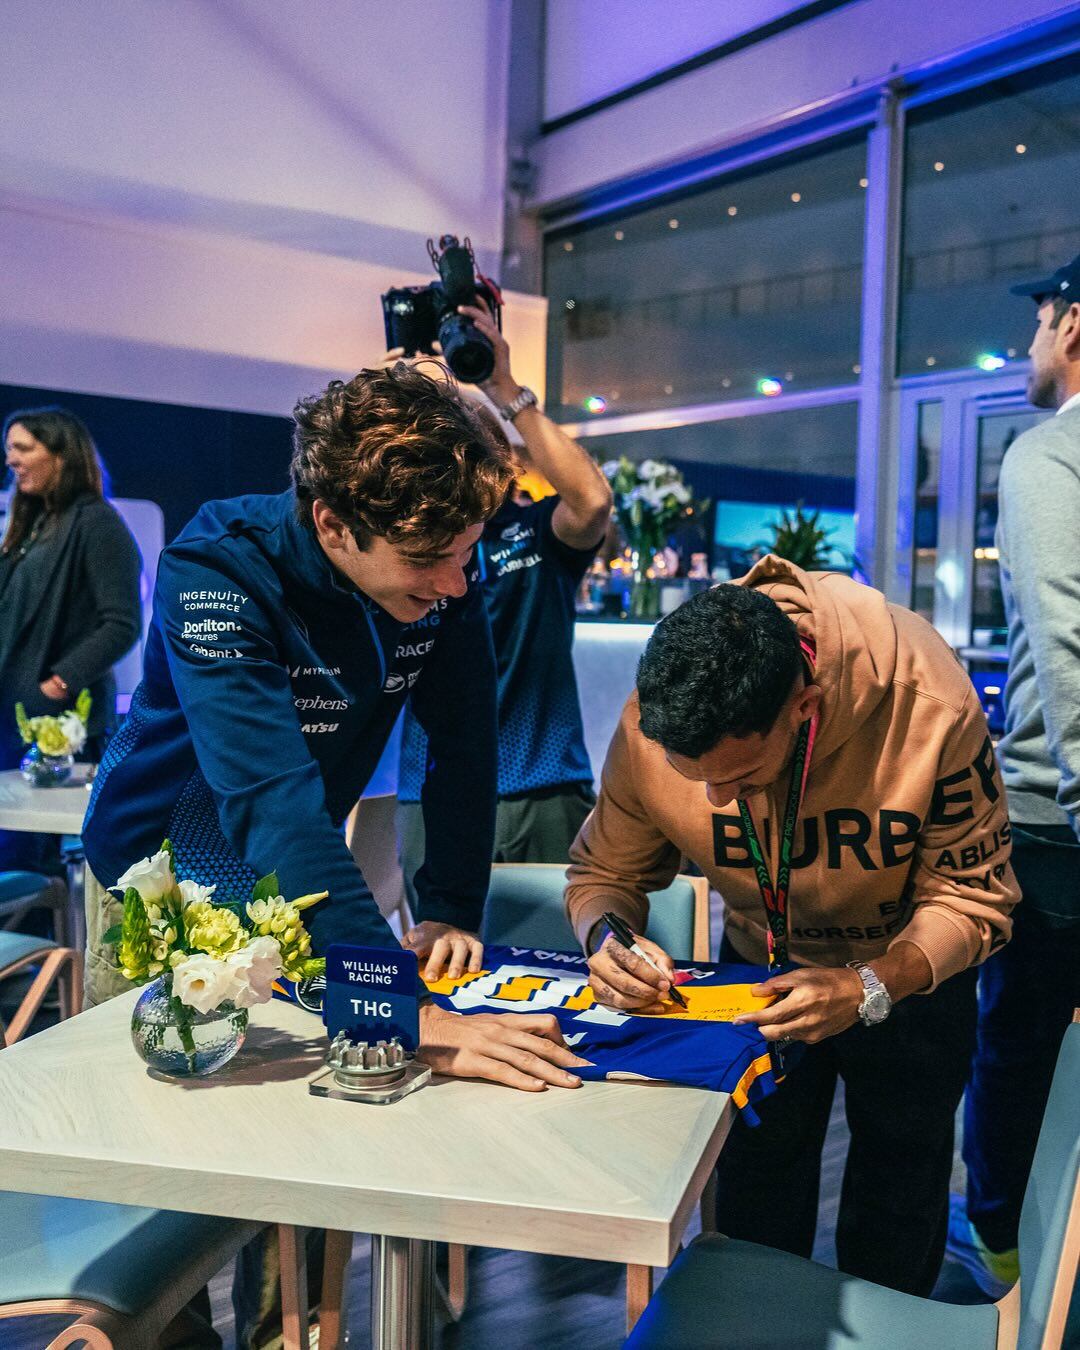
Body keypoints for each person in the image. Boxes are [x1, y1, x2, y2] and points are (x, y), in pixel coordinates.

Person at [81, 363, 587, 1349]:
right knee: (169, 1169)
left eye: (466, 556)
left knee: (324, 1148)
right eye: (429, 560)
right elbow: (267, 801)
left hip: (293, 867)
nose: (453, 583)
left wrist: (446, 906)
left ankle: (294, 1336)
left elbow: (464, 742)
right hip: (159, 874)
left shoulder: (447, 566)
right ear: (331, 523)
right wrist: (407, 1009)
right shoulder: (215, 568)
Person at [566, 563, 1018, 1297]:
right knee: (753, 1214)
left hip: (909, 980)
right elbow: (603, 878)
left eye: (739, 780)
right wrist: (605, 939)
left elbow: (976, 898)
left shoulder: (928, 702)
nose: (715, 799)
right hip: (759, 981)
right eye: (697, 779)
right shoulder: (656, 716)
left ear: (804, 707)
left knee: (897, 1214)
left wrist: (869, 984)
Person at [946, 254, 1080, 1303]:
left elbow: (1070, 651)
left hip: (1056, 827)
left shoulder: (1051, 456)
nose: (1030, 350)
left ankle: (1003, 1265)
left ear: (1071, 327)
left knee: (1018, 1054)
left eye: (1037, 326)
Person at [396, 299, 611, 896]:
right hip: (431, 789)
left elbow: (592, 502)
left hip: (542, 788)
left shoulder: (537, 531)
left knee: (563, 970)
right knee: (439, 971)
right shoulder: (402, 539)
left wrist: (502, 385)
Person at [1, 407, 141, 873]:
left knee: (32, 864)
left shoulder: (97, 523)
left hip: (56, 728)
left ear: (60, 456)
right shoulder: (32, 527)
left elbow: (120, 624)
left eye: (23, 448)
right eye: (9, 451)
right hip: (13, 720)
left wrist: (57, 685)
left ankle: (44, 948)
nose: (12, 461)